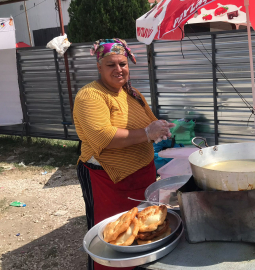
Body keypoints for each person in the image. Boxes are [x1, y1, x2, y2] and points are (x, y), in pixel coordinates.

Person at [73, 38, 175, 270]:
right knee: (111, 238)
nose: (119, 69)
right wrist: (148, 132)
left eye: (123, 63)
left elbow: (149, 122)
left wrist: (160, 127)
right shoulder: (91, 96)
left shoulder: (133, 94)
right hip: (107, 179)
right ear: (99, 67)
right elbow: (102, 136)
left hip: (143, 174)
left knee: (142, 233)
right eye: (111, 65)